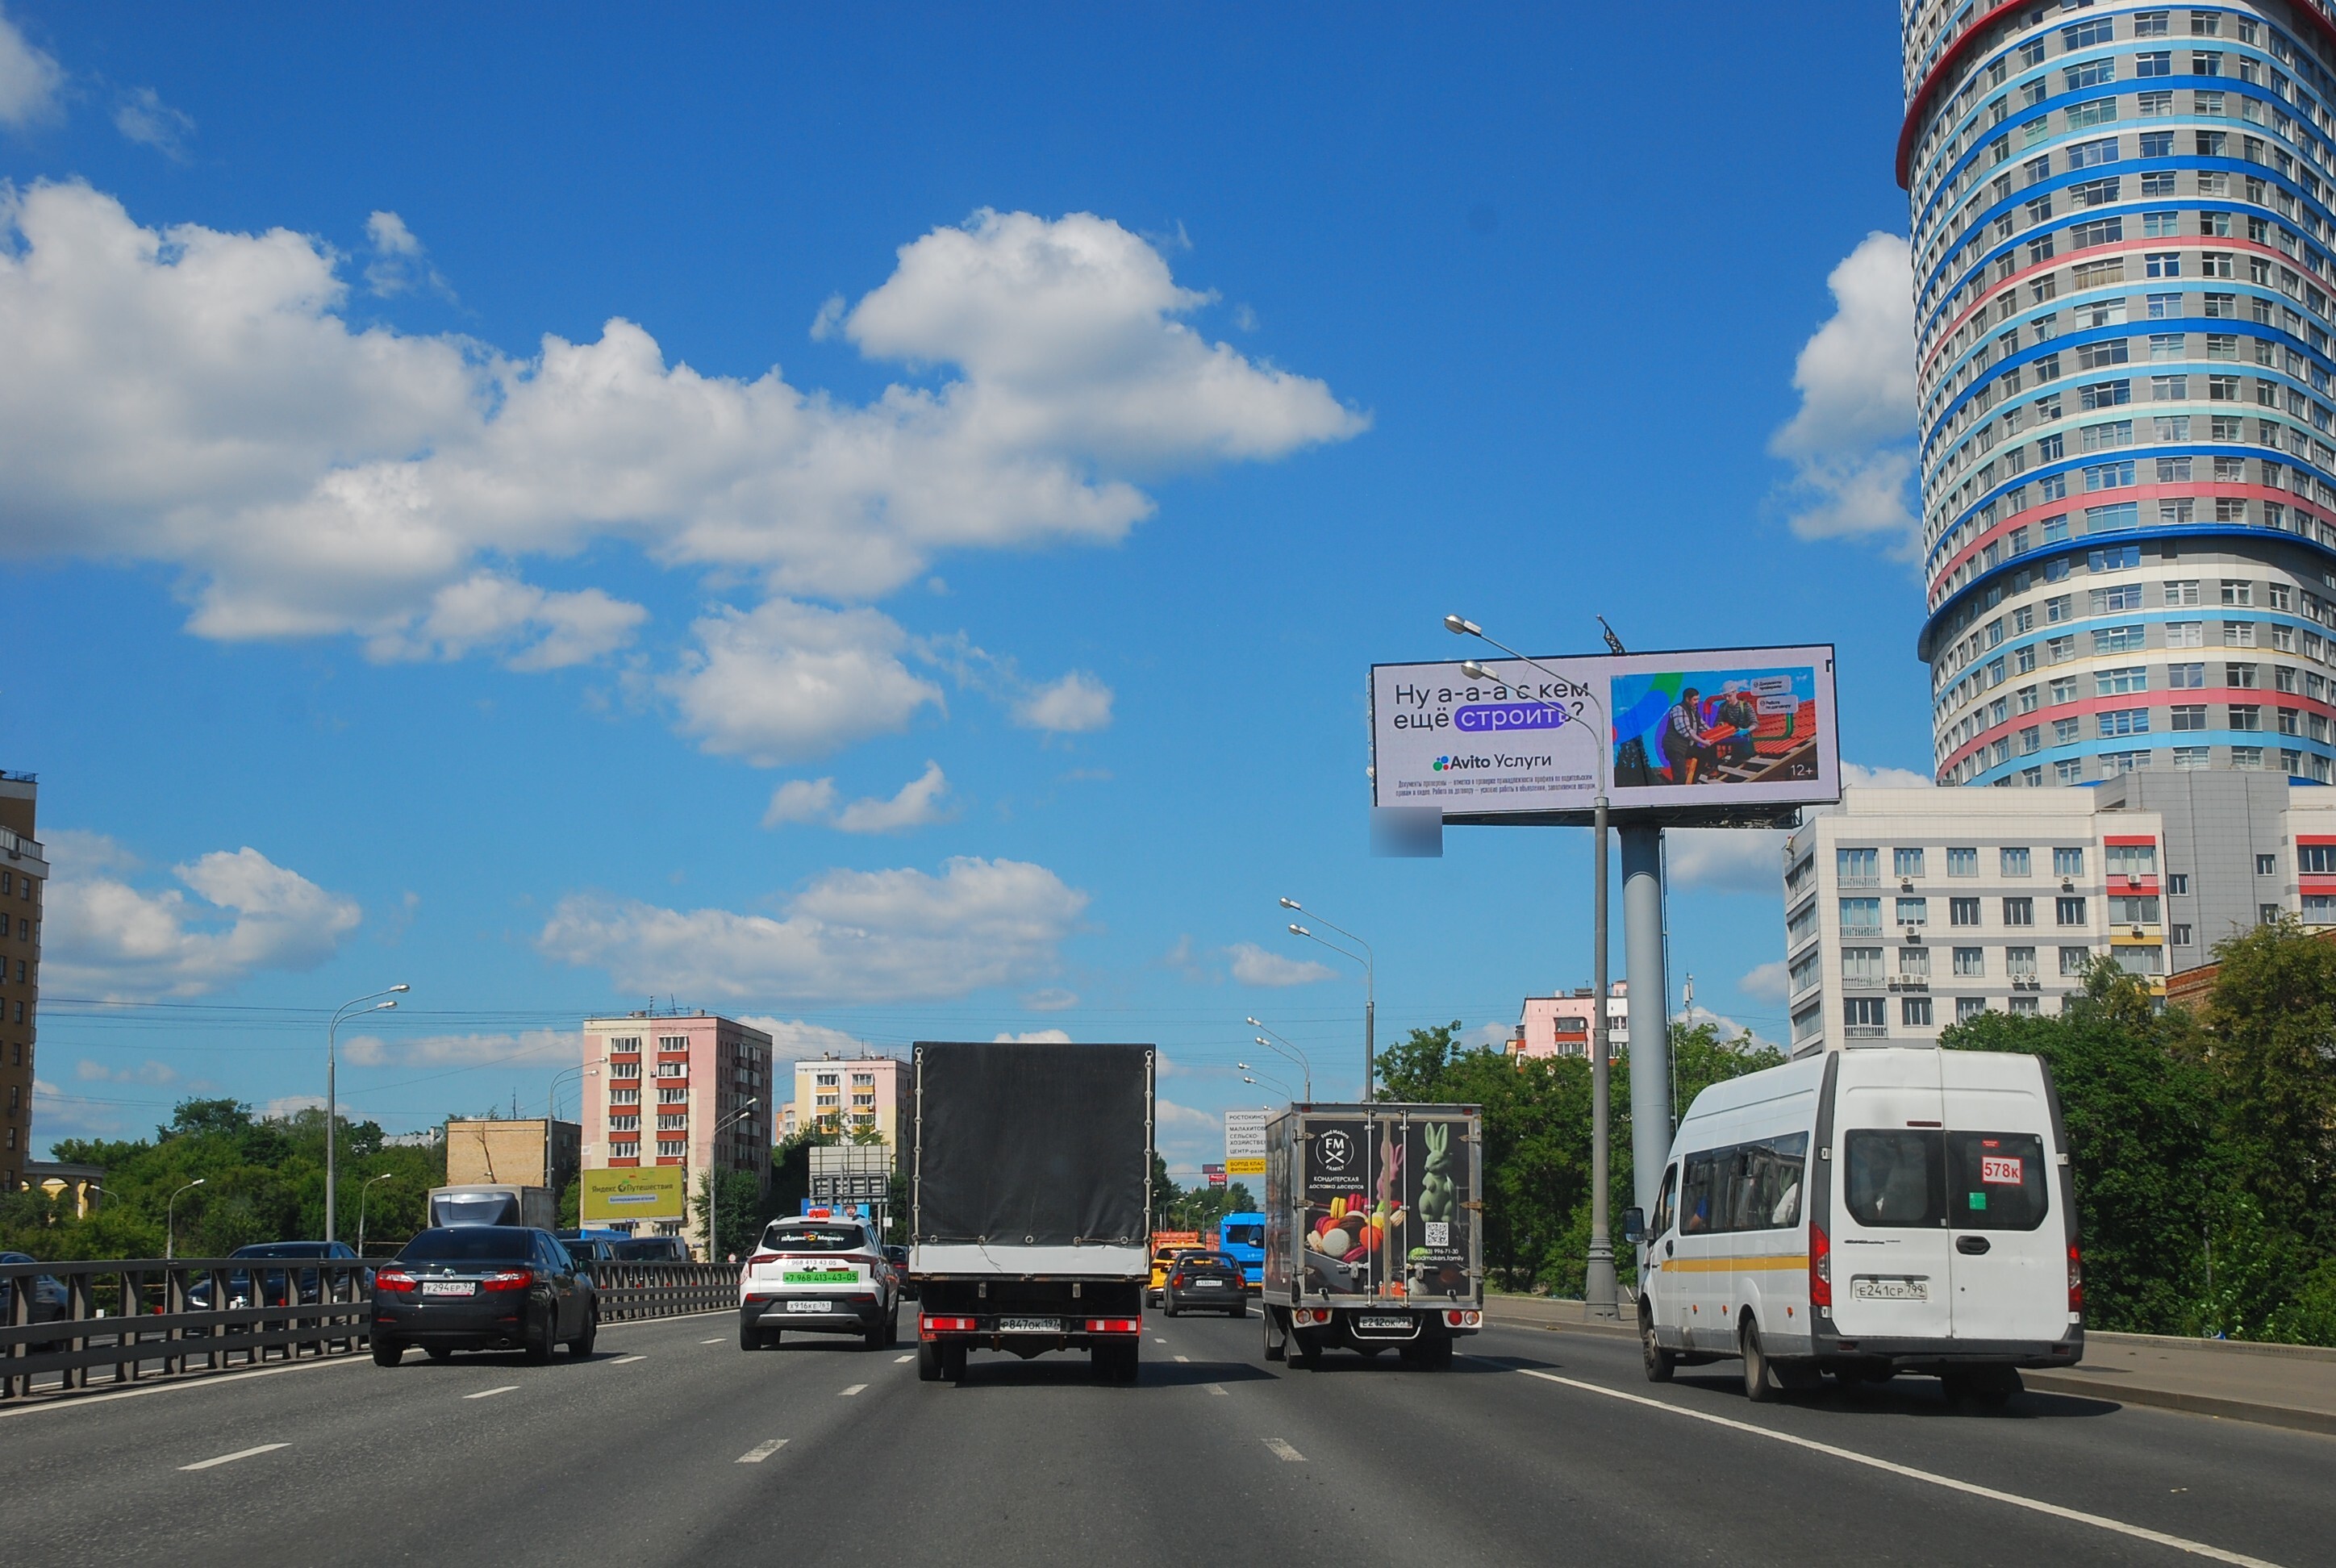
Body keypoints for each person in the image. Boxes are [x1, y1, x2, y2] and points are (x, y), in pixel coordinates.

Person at [1660, 687, 1718, 785]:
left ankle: (1694, 781)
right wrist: (1703, 742)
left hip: (1686, 746)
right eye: (1695, 699)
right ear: (1687, 699)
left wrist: (1717, 734)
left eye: (1698, 699)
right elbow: (1686, 731)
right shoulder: (1679, 709)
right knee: (1680, 776)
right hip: (1675, 747)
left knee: (1704, 754)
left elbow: (1703, 726)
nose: (1697, 702)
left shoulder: (1694, 712)